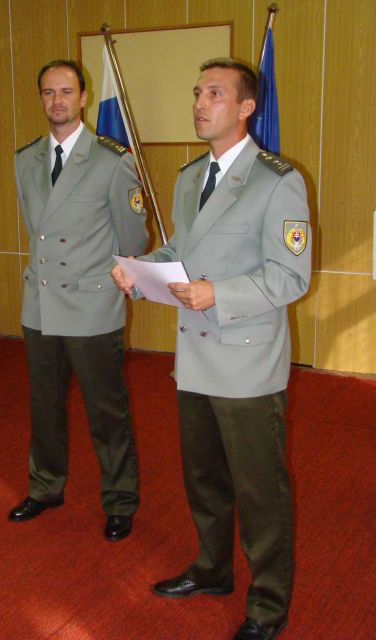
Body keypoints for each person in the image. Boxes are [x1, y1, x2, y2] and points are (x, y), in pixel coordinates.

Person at [112, 58, 311, 639]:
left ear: (247, 107)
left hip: (246, 361)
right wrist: (138, 269)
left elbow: (290, 276)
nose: (200, 103)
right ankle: (212, 568)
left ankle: (268, 604)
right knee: (204, 479)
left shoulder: (277, 180)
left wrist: (216, 293)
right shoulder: (189, 176)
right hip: (195, 358)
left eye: (215, 94)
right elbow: (181, 248)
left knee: (260, 490)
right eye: (198, 92)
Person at [10, 59, 148, 542]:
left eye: (66, 92)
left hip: (91, 305)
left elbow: (133, 236)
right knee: (44, 406)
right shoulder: (25, 159)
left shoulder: (111, 160)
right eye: (49, 92)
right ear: (41, 98)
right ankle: (45, 486)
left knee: (106, 411)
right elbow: (37, 230)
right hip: (41, 303)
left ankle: (120, 500)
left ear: (84, 98)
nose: (57, 101)